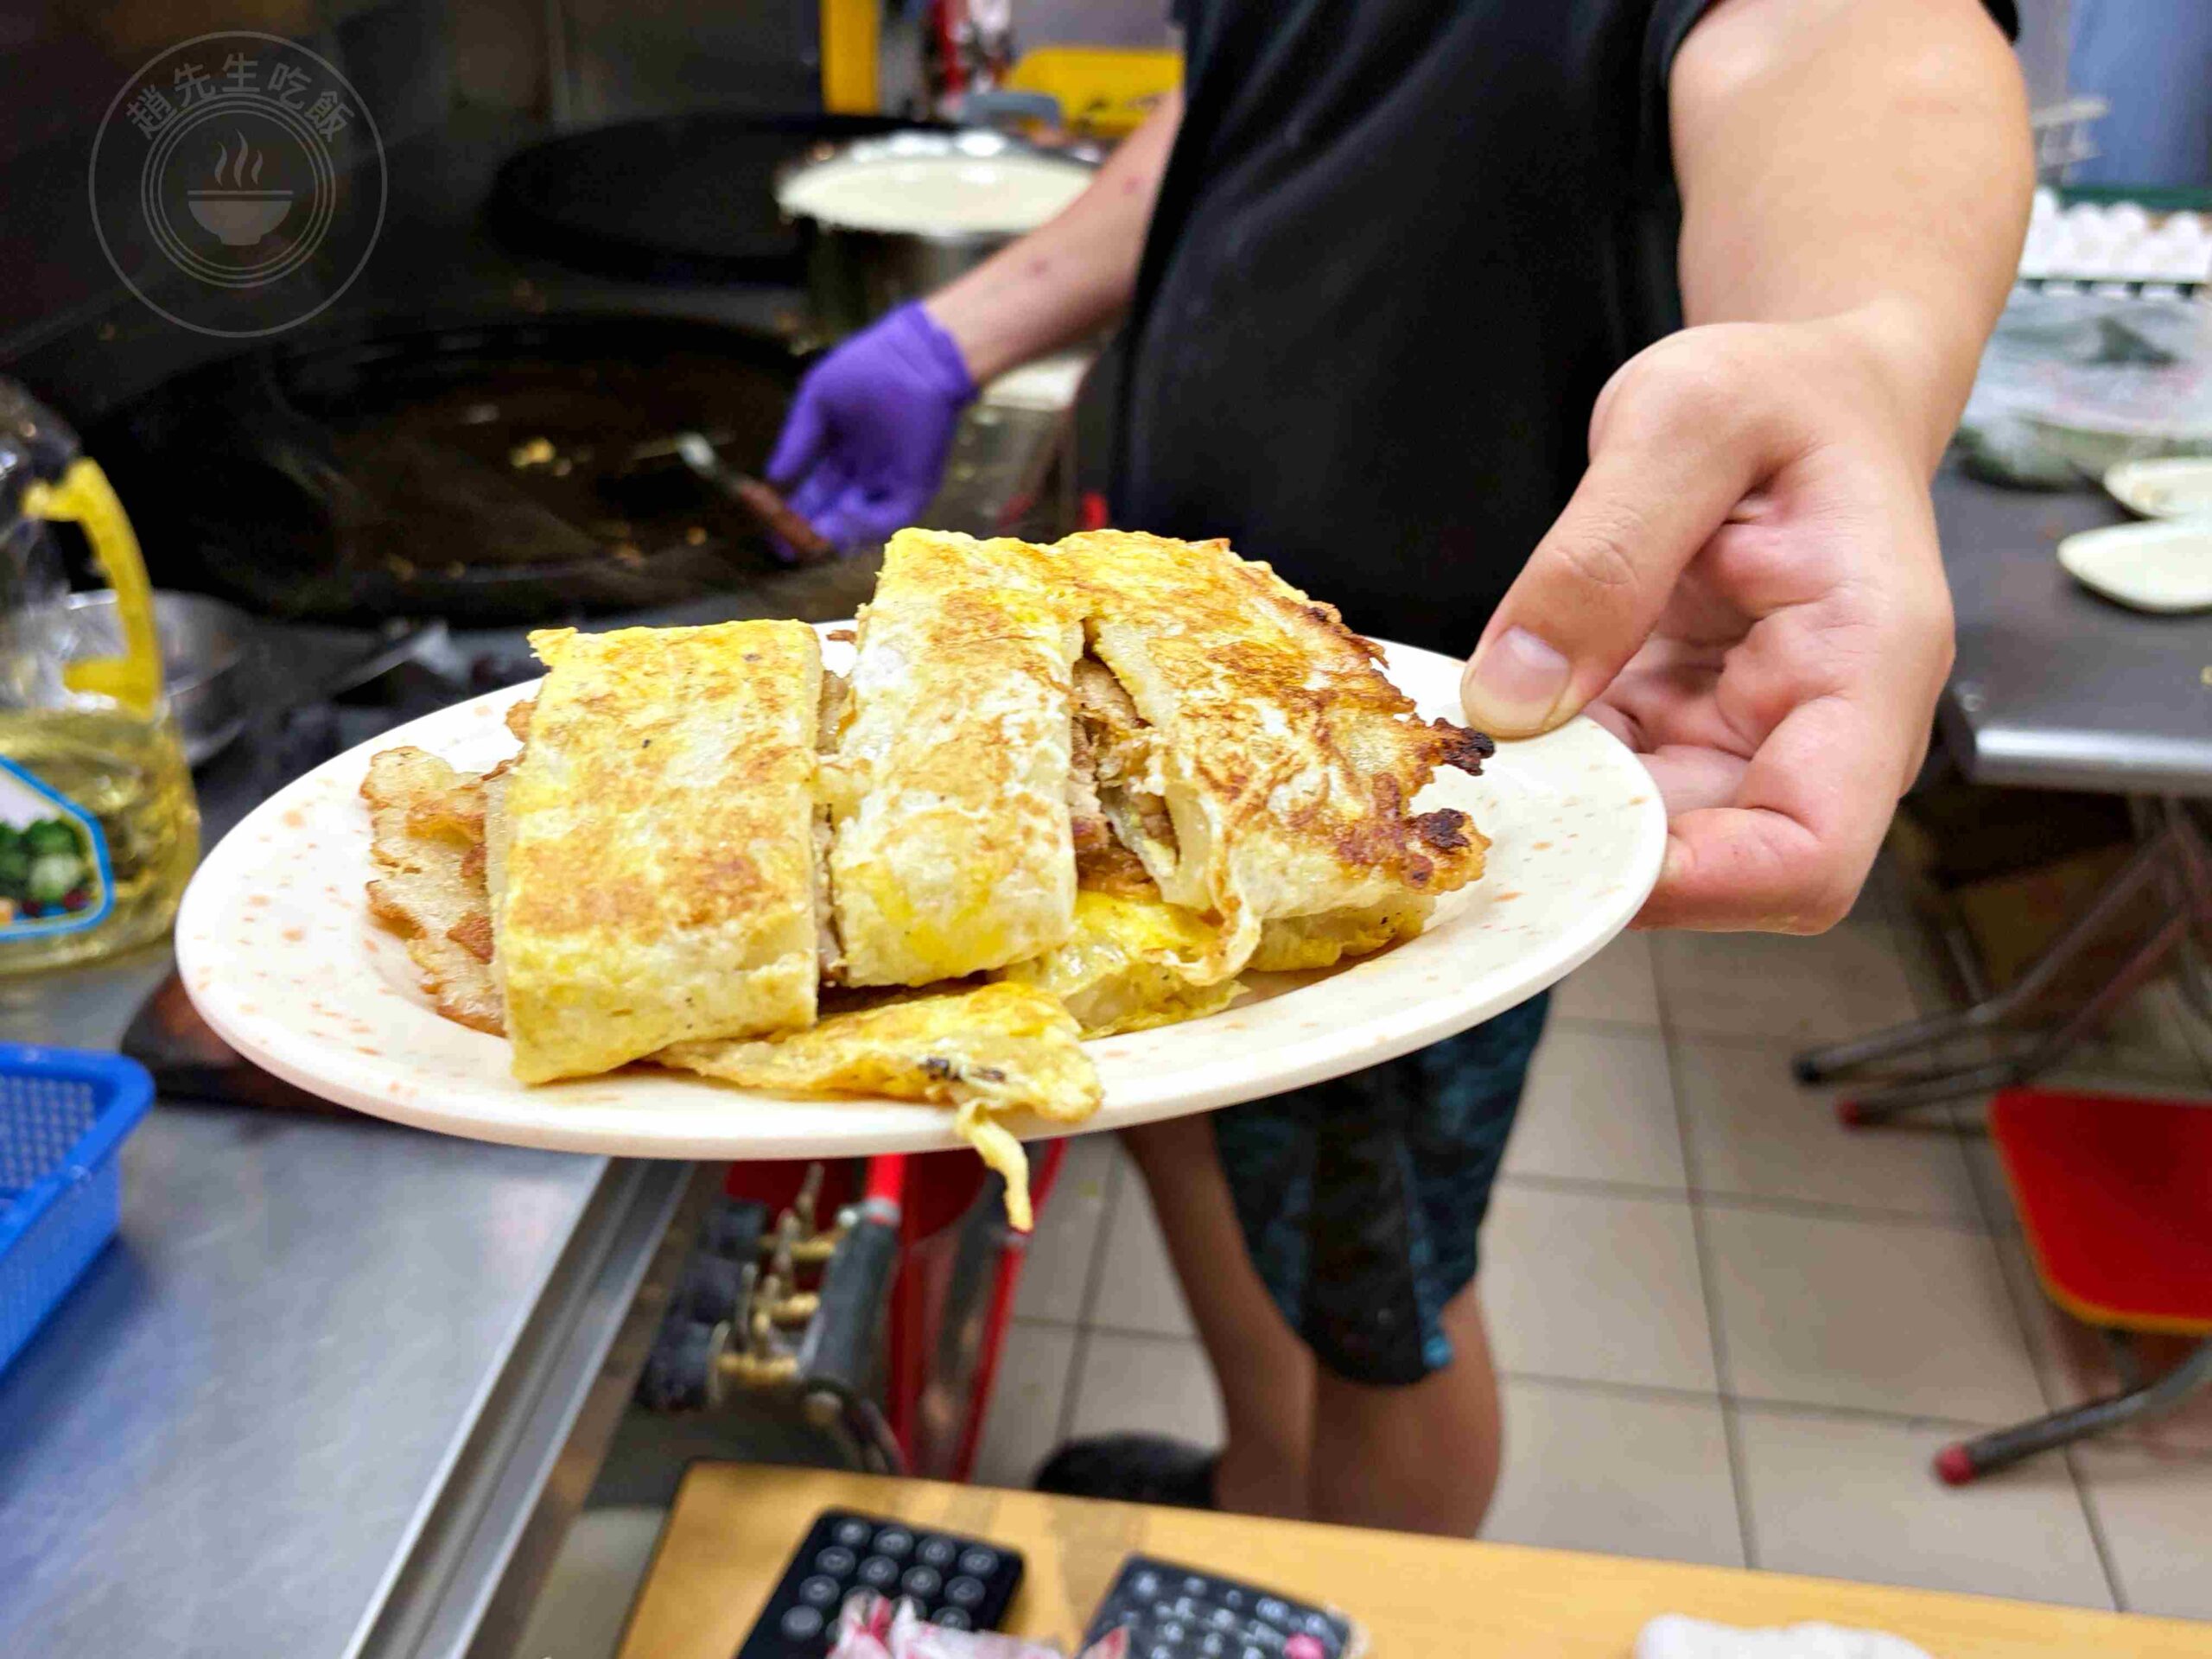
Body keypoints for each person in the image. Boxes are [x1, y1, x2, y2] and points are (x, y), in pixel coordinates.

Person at [767, 0, 2032, 1535]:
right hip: (1184, 691)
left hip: (1411, 768)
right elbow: (1262, 89)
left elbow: (1843, 43)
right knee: (1199, 1126)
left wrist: (1857, 356)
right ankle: (1261, 1487)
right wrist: (966, 326)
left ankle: (1361, 1590)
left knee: (1382, 1294)